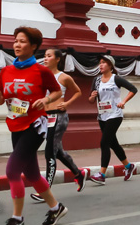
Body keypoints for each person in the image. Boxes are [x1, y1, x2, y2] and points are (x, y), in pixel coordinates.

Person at [0, 28, 67, 225]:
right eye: (15, 41)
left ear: (33, 46)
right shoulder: (6, 71)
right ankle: (56, 208)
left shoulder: (41, 71)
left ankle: (17, 218)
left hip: (35, 125)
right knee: (32, 173)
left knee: (12, 172)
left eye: (22, 41)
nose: (17, 45)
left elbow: (57, 92)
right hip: (15, 124)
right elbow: (2, 99)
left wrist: (46, 99)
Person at [31, 48, 87, 203]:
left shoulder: (63, 77)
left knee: (50, 152)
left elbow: (77, 92)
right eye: (45, 56)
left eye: (49, 56)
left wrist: (66, 103)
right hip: (45, 117)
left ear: (57, 59)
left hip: (59, 117)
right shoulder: (42, 76)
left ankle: (45, 190)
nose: (45, 58)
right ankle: (78, 174)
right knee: (59, 152)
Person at [87, 56, 138, 184]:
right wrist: (93, 97)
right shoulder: (97, 80)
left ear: (110, 65)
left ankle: (102, 174)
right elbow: (90, 100)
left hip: (115, 115)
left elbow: (133, 89)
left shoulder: (116, 79)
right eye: (100, 63)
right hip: (102, 115)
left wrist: (123, 101)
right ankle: (128, 166)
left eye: (104, 63)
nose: (101, 65)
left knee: (104, 142)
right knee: (112, 143)